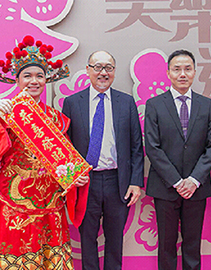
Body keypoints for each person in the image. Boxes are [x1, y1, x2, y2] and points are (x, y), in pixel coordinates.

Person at [0, 35, 89, 270]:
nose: (34, 81)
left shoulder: (56, 118)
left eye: (39, 76)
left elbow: (62, 160)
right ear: (17, 79)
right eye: (27, 76)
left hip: (50, 203)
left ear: (46, 80)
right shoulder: (6, 111)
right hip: (15, 202)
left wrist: (76, 178)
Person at [62, 51, 144, 270]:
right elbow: (65, 146)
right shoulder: (72, 103)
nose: (103, 72)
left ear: (114, 72)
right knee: (86, 237)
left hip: (118, 181)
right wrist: (71, 178)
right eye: (97, 67)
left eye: (108, 67)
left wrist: (136, 182)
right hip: (85, 182)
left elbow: (137, 145)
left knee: (115, 238)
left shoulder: (126, 102)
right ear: (88, 70)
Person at [144, 49, 211, 270]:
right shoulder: (155, 104)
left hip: (197, 188)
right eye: (177, 69)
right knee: (166, 246)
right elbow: (153, 147)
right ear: (168, 73)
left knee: (192, 245)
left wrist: (194, 180)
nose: (182, 74)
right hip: (166, 187)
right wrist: (177, 181)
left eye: (187, 69)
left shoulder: (206, 105)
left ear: (195, 72)